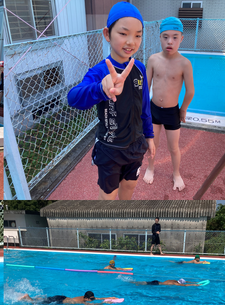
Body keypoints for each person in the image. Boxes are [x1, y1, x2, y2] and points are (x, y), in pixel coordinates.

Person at [67, 2, 154, 200]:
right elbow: (73, 97)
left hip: (136, 144)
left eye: (138, 35)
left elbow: (144, 108)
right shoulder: (100, 71)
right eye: (123, 33)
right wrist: (100, 88)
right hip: (110, 148)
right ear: (107, 34)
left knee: (130, 185)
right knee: (108, 196)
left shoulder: (140, 68)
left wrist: (149, 136)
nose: (131, 41)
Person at [143, 17, 195, 192]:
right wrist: (144, 110)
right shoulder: (153, 59)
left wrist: (183, 109)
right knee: (152, 144)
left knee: (173, 147)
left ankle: (176, 173)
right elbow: (145, 87)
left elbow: (190, 91)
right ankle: (150, 168)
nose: (170, 41)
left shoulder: (184, 63)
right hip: (153, 110)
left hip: (172, 112)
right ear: (160, 38)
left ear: (181, 38)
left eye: (174, 37)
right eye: (165, 37)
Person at [19, 291, 117, 305]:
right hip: (60, 300)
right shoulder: (83, 302)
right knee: (37, 304)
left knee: (44, 299)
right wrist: (104, 303)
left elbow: (97, 298)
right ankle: (28, 298)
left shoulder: (84, 297)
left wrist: (110, 297)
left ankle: (34, 297)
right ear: (87, 298)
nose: (92, 299)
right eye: (91, 299)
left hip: (62, 297)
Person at [132, 278, 204, 286]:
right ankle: (134, 283)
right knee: (144, 284)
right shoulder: (175, 283)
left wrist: (194, 282)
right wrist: (194, 285)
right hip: (157, 284)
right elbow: (185, 285)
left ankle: (135, 282)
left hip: (158, 281)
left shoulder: (174, 280)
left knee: (146, 282)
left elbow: (185, 281)